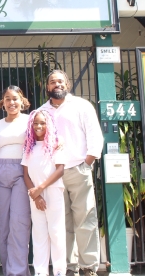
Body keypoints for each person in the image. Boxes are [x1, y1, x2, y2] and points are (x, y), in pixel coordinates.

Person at [39, 70, 103, 276]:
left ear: (67, 84)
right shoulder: (42, 112)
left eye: (60, 81)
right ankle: (68, 266)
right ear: (47, 87)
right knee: (61, 222)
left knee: (86, 219)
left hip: (78, 169)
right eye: (52, 82)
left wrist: (88, 161)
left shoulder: (82, 106)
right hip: (53, 174)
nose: (56, 84)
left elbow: (94, 134)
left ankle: (88, 266)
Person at [0, 85, 32, 276]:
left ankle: (19, 272)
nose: (11, 102)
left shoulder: (30, 121)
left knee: (19, 223)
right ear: (2, 103)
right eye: (7, 98)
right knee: (3, 224)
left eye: (15, 98)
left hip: (22, 172)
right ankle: (8, 270)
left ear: (22, 101)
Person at [22, 109, 66, 276]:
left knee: (56, 231)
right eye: (35, 123)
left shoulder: (55, 144)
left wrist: (40, 188)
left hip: (53, 191)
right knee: (39, 233)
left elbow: (60, 170)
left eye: (42, 123)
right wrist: (36, 195)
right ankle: (40, 271)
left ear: (49, 125)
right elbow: (25, 174)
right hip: (35, 196)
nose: (38, 126)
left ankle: (59, 270)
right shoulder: (29, 146)